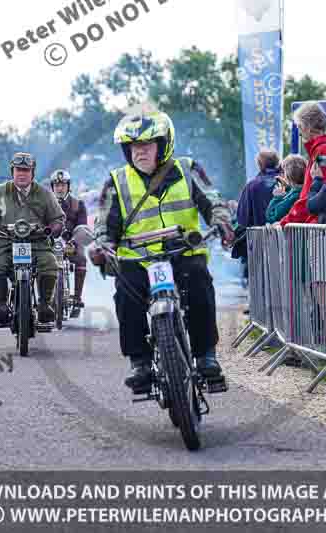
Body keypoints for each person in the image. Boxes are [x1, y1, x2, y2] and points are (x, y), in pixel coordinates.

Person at [90, 111, 234, 391]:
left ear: (164, 144)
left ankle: (205, 355)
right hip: (137, 260)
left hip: (184, 253)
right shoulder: (116, 181)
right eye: (133, 146)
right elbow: (104, 224)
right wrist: (102, 246)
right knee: (125, 295)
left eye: (146, 144)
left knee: (200, 282)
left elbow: (213, 201)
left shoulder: (187, 168)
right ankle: (139, 362)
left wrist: (221, 222)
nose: (139, 151)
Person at [0, 152, 65, 329]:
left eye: (26, 170)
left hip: (37, 241)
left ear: (32, 173)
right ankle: (2, 306)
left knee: (50, 263)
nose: (22, 174)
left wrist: (52, 229)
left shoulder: (44, 193)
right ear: (12, 171)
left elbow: (58, 218)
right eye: (18, 170)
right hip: (7, 241)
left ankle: (44, 305)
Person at [280, 103, 326, 225]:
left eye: (299, 126)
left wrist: (285, 222)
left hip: (319, 224)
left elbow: (317, 192)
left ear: (307, 126)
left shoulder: (322, 151)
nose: (299, 132)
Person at [48, 168, 88, 317]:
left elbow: (82, 226)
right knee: (38, 263)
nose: (59, 188)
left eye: (63, 185)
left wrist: (74, 241)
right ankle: (44, 300)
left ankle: (77, 298)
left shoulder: (78, 204)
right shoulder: (45, 204)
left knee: (81, 259)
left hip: (71, 243)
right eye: (56, 185)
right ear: (52, 187)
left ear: (68, 186)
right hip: (50, 244)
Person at [237, 149, 281, 228]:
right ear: (277, 162)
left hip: (259, 237)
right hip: (284, 236)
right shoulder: (286, 182)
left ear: (259, 164)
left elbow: (242, 219)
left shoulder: (251, 186)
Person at [265, 155, 305, 224]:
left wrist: (276, 198)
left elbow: (272, 216)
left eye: (283, 171)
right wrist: (288, 188)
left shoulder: (294, 196)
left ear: (289, 173)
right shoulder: (304, 190)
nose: (282, 175)